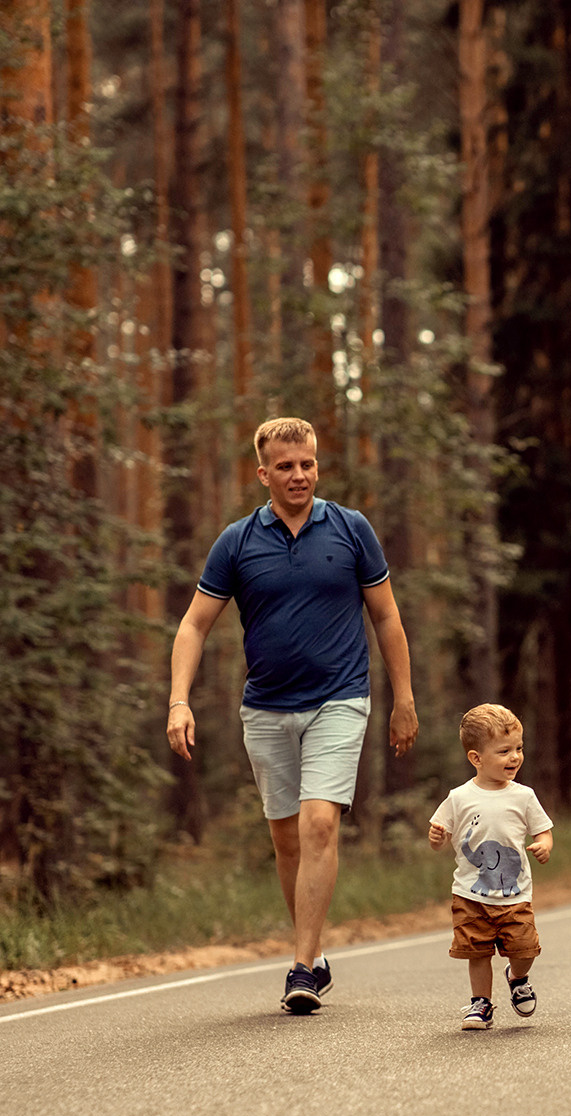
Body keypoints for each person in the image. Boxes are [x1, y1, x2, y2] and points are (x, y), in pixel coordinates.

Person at [167, 416, 419, 1015]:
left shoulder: (351, 530)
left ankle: (303, 966)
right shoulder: (236, 542)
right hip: (266, 708)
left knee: (317, 825)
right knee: (286, 839)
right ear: (264, 475)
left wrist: (403, 697)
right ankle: (316, 954)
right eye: (285, 466)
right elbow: (195, 623)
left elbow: (386, 617)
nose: (299, 475)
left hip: (340, 698)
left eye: (306, 464)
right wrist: (179, 699)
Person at [428, 704, 553, 1030]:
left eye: (518, 749)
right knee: (477, 952)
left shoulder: (523, 796)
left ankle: (518, 976)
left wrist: (544, 845)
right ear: (476, 758)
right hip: (470, 893)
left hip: (515, 893)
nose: (515, 757)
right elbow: (440, 838)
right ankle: (481, 1003)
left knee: (526, 948)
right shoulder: (459, 797)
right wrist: (436, 836)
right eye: (504, 751)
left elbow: (543, 830)